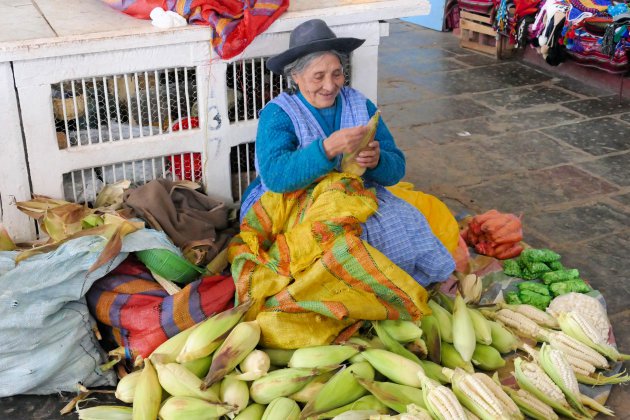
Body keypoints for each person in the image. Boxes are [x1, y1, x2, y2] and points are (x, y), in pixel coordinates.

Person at [239, 19, 454, 286]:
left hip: (355, 194)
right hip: (292, 202)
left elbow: (397, 168)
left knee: (407, 220)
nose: (330, 85)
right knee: (333, 242)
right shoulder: (279, 113)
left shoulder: (359, 104)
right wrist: (327, 149)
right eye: (318, 76)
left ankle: (402, 289)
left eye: (337, 73)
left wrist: (377, 161)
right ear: (295, 76)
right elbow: (275, 177)